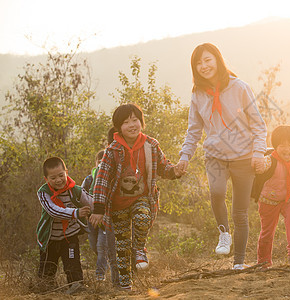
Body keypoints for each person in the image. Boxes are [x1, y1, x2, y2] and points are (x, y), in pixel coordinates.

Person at [177, 43, 267, 270]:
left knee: (240, 211)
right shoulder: (197, 94)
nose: (203, 66)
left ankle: (238, 262)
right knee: (216, 192)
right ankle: (223, 234)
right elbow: (194, 130)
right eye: (198, 63)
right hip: (215, 155)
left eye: (207, 60)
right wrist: (184, 156)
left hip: (243, 157)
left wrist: (258, 152)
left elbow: (258, 125)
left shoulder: (240, 87)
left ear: (217, 60)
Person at [89, 103, 182, 290]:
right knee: (122, 246)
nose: (132, 125)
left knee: (142, 216)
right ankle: (125, 286)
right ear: (118, 128)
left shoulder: (151, 145)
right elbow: (102, 180)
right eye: (126, 122)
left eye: (135, 120)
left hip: (142, 197)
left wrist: (175, 171)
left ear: (141, 122)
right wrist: (98, 209)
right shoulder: (112, 150)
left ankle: (140, 248)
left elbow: (163, 167)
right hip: (118, 205)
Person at [253, 125, 290, 268]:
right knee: (267, 232)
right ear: (275, 147)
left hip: (288, 198)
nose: (287, 149)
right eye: (282, 145)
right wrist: (258, 154)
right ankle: (263, 261)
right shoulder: (270, 160)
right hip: (268, 200)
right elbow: (258, 168)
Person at [36, 157, 93, 294]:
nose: (59, 180)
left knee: (72, 263)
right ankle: (45, 289)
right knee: (47, 270)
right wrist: (76, 213)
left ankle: (76, 287)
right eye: (53, 178)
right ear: (46, 179)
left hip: (70, 236)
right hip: (50, 238)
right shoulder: (43, 193)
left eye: (61, 175)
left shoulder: (75, 190)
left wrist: (99, 211)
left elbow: (92, 202)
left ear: (66, 172)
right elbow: (53, 211)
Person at [81, 150, 119, 285]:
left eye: (104, 162)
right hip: (91, 219)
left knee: (102, 246)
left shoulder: (111, 178)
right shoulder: (89, 179)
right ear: (95, 163)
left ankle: (99, 275)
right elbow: (81, 195)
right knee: (93, 245)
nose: (101, 164)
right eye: (99, 162)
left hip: (105, 219)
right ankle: (104, 262)